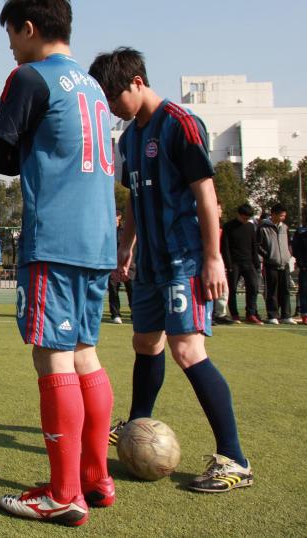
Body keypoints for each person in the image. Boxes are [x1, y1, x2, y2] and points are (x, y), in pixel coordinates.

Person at [91, 46, 253, 496]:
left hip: (185, 258)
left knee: (187, 349)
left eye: (114, 97)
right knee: (145, 342)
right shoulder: (128, 139)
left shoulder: (180, 123)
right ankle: (136, 425)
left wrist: (213, 257)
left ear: (137, 82)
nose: (112, 108)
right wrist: (126, 246)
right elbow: (134, 197)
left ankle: (235, 458)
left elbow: (206, 194)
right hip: (150, 260)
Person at [0, 0, 116, 526]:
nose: (11, 47)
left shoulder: (30, 78)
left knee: (53, 356)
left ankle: (65, 493)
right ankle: (96, 477)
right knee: (86, 353)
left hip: (55, 238)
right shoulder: (95, 86)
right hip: (98, 240)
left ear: (30, 28)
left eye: (12, 35)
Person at [222, 203, 263, 324]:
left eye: (248, 218)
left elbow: (253, 245)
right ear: (239, 214)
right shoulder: (228, 226)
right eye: (244, 217)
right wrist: (228, 264)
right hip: (234, 263)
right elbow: (225, 247)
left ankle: (251, 313)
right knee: (232, 289)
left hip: (249, 262)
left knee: (253, 287)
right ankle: (234, 314)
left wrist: (256, 262)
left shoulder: (250, 227)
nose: (246, 220)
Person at [258, 204, 294, 324]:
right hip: (271, 264)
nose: (284, 217)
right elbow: (258, 245)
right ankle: (272, 315)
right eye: (281, 215)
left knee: (285, 290)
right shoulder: (263, 227)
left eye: (284, 215)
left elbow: (289, 243)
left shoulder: (285, 227)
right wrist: (268, 255)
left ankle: (286, 315)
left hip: (284, 263)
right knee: (272, 290)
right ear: (273, 214)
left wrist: (288, 254)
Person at [107, 210, 132, 324]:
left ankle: (135, 314)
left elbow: (130, 249)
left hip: (128, 266)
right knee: (113, 290)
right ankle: (115, 314)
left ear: (119, 217)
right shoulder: (108, 231)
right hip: (112, 266)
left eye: (115, 216)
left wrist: (127, 265)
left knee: (131, 290)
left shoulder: (125, 231)